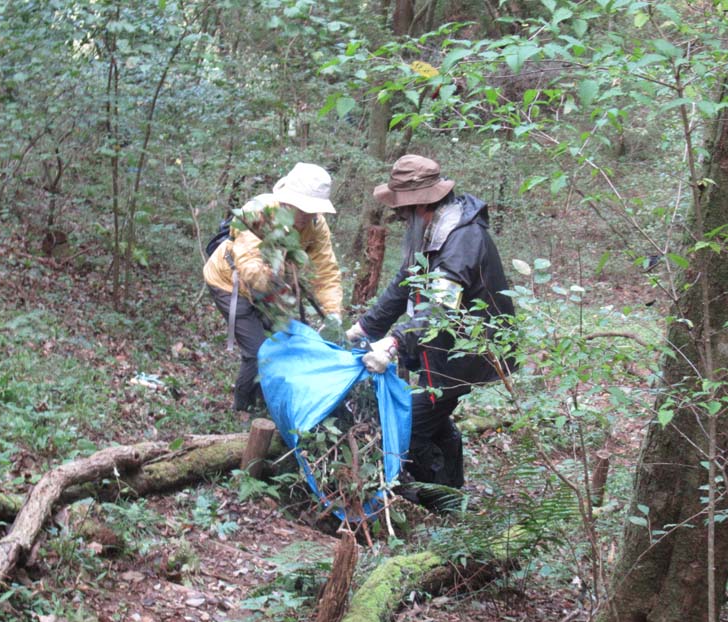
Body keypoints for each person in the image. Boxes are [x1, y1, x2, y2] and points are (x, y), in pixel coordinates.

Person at [346, 154, 516, 489]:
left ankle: (438, 499)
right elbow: (405, 282)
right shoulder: (433, 230)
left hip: (464, 353)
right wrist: (366, 327)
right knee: (432, 419)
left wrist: (394, 342)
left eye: (403, 211)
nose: (400, 218)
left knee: (409, 428)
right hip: (441, 349)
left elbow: (440, 307)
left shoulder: (461, 239)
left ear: (421, 204)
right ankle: (453, 492)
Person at [204, 163, 343, 413]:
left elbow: (326, 271)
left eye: (313, 210)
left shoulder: (316, 225)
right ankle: (241, 409)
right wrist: (277, 270)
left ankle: (266, 402)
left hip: (272, 291)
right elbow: (249, 267)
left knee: (281, 343)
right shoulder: (259, 212)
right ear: (288, 200)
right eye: (303, 208)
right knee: (258, 352)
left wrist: (333, 313)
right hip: (228, 282)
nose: (307, 215)